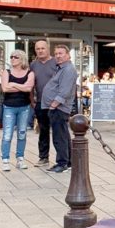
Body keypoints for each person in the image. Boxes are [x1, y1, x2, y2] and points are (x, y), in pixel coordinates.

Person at [41, 44, 78, 173]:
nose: (57, 56)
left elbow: (64, 92)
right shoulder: (61, 68)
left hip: (59, 109)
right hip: (57, 108)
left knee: (59, 137)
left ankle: (62, 163)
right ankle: (68, 162)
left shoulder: (68, 69)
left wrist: (53, 105)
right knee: (63, 135)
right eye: (56, 54)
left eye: (60, 53)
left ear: (68, 55)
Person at [0, 50, 34, 171]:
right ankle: (5, 160)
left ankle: (20, 159)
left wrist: (13, 84)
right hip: (9, 106)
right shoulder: (7, 72)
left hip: (24, 107)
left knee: (22, 133)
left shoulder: (29, 73)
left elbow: (29, 88)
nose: (13, 59)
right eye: (11, 57)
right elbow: (5, 88)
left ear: (22, 59)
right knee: (7, 134)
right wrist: (21, 87)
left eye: (16, 57)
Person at [30, 40, 58, 167]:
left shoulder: (56, 62)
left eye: (43, 48)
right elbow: (31, 85)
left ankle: (63, 158)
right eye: (37, 48)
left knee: (59, 132)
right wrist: (32, 101)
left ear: (48, 49)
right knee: (43, 131)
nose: (40, 51)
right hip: (40, 103)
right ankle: (43, 157)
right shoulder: (33, 65)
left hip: (56, 104)